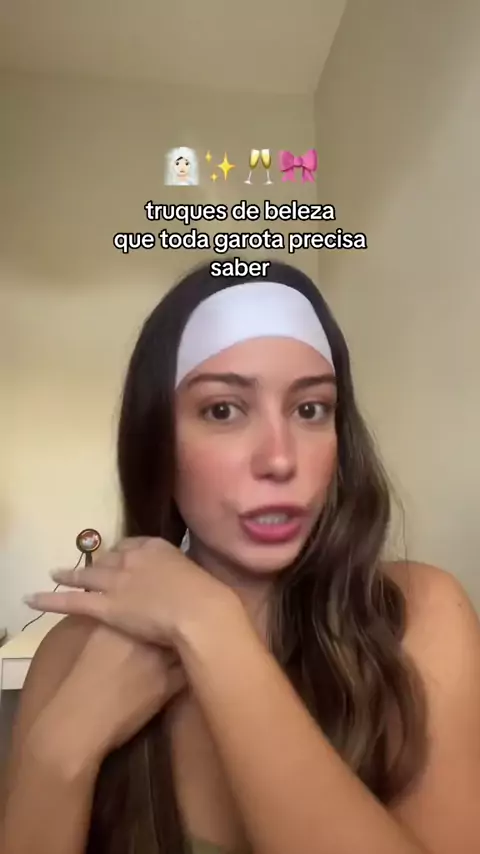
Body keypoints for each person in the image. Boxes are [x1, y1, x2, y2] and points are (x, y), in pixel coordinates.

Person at [3, 261, 480, 854]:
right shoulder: (74, 654)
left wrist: (210, 628)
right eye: (223, 410)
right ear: (158, 442)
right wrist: (62, 751)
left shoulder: (418, 617)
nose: (279, 459)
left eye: (310, 409)